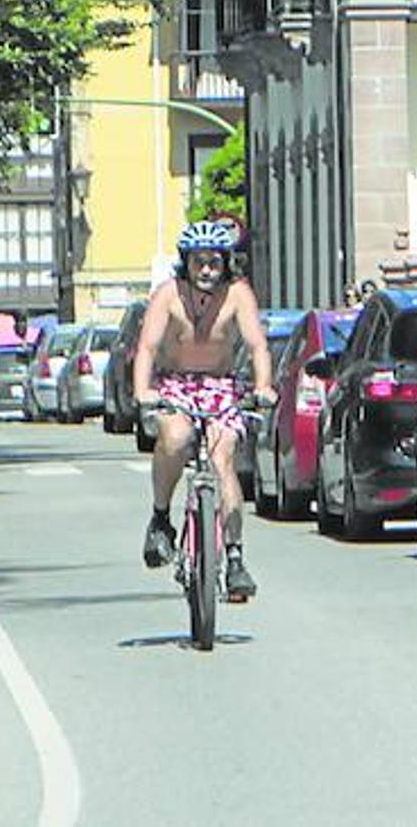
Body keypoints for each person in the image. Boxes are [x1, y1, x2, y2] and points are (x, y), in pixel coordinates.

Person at [133, 220, 276, 601]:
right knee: (175, 438)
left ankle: (233, 557)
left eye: (214, 262)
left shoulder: (238, 295)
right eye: (199, 262)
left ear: (226, 262)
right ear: (186, 263)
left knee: (223, 457)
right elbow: (147, 347)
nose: (207, 270)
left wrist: (263, 385)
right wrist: (143, 391)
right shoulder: (168, 295)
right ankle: (161, 518)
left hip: (221, 385)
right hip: (175, 383)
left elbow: (258, 345)